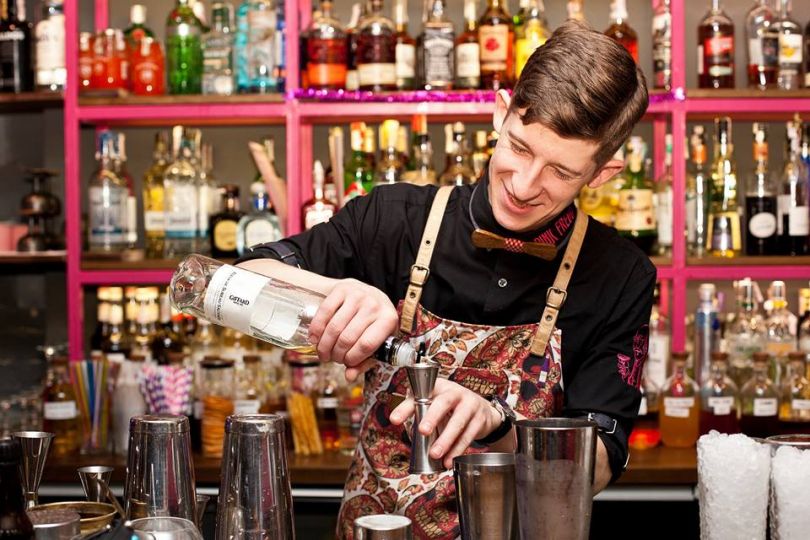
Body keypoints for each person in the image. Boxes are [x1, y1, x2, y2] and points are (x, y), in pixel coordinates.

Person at [237, 20, 653, 540]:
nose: (525, 186)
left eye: (560, 172)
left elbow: (601, 464)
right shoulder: (392, 219)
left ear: (603, 173)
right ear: (500, 112)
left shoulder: (620, 274)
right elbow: (234, 280)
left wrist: (499, 429)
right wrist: (333, 292)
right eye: (519, 148)